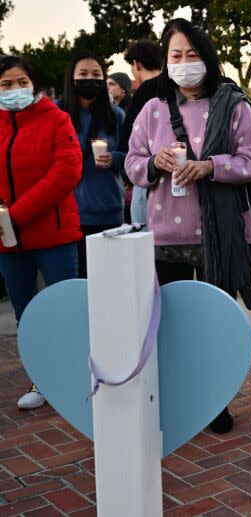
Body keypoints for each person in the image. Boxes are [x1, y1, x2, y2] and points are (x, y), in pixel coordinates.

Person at [125, 19, 251, 434]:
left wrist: (210, 166)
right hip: (164, 239)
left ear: (207, 57)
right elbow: (132, 164)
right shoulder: (152, 110)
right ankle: (176, 398)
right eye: (176, 56)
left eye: (192, 54)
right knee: (169, 325)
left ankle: (215, 401)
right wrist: (155, 163)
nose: (185, 63)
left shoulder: (234, 104)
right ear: (166, 62)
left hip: (219, 239)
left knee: (212, 326)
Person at [0, 55, 83, 409]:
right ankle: (41, 378)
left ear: (33, 84)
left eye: (21, 82)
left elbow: (66, 171)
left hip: (54, 235)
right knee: (26, 312)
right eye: (6, 84)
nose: (15, 90)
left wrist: (15, 214)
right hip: (8, 240)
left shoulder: (56, 119)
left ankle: (78, 376)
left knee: (66, 309)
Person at [57, 52, 126, 278]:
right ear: (71, 78)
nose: (90, 79)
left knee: (109, 280)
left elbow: (133, 157)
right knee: (78, 283)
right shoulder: (57, 113)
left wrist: (114, 158)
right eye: (83, 74)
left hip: (108, 211)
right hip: (68, 213)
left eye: (96, 74)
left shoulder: (115, 115)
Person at [121, 39, 164, 225]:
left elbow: (128, 140)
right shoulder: (176, 87)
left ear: (136, 64)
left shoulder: (145, 91)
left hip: (149, 178)